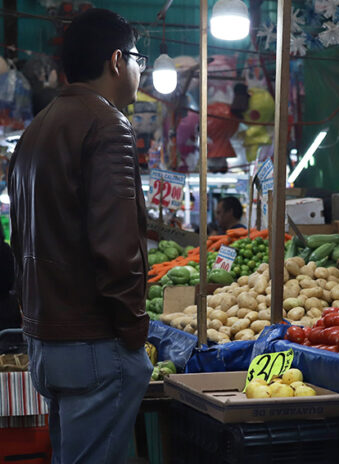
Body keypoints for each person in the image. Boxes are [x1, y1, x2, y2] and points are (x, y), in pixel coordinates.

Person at [8, 9, 152, 463]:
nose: (140, 68)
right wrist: (133, 333)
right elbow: (117, 247)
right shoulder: (108, 125)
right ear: (116, 61)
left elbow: (20, 241)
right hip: (93, 342)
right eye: (137, 58)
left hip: (47, 342)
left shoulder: (36, 129)